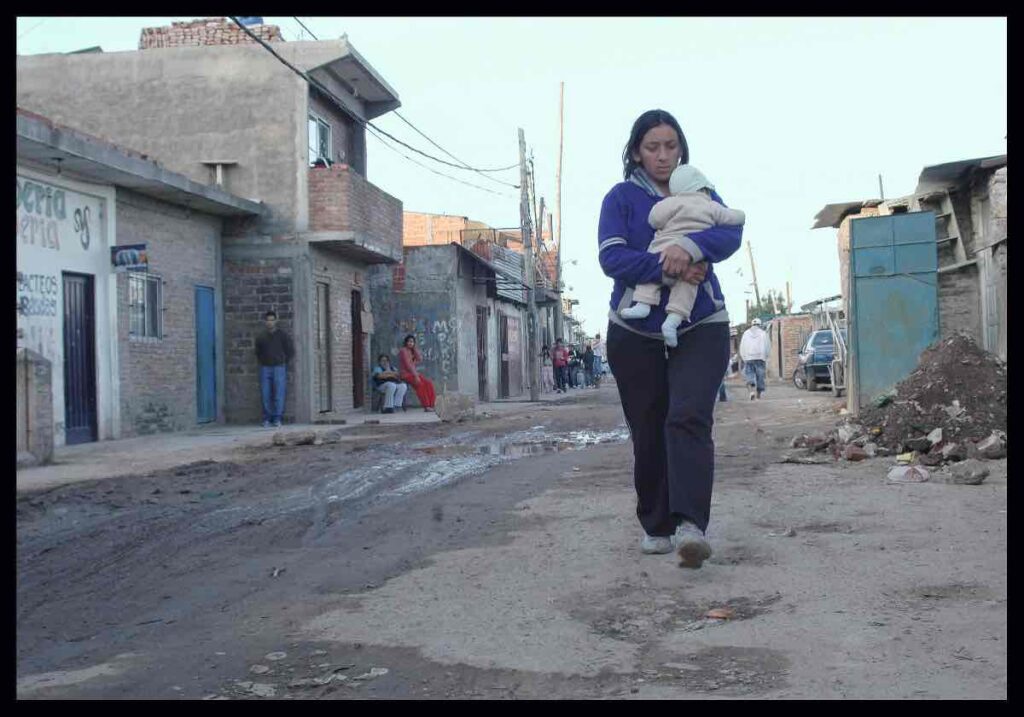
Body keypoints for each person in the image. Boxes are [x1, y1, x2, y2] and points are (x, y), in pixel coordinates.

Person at [599, 109, 742, 567]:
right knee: (648, 425)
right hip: (633, 330)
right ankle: (656, 524)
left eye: (671, 146)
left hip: (701, 322)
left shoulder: (700, 189)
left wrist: (693, 248)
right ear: (636, 153)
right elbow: (613, 259)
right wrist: (667, 265)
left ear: (682, 148)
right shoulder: (621, 198)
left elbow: (730, 230)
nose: (663, 156)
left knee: (688, 416)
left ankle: (690, 526)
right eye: (652, 147)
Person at [619, 165, 746, 346]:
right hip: (695, 261)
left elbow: (654, 219)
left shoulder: (674, 202)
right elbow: (733, 219)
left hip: (663, 250)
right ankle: (673, 320)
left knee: (648, 277)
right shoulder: (712, 206)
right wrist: (742, 215)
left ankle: (643, 304)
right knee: (687, 288)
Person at [254, 310, 295, 428]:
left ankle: (277, 418)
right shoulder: (261, 337)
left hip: (279, 367)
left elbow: (290, 351)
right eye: (268, 320)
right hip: (265, 368)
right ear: (265, 321)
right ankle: (267, 418)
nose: (270, 322)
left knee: (279, 394)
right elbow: (257, 352)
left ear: (276, 321)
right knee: (265, 394)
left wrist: (282, 361)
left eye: (272, 320)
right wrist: (263, 361)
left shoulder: (283, 335)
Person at [398, 334, 436, 411]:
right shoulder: (403, 351)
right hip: (405, 374)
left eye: (412, 342)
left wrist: (415, 349)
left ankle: (432, 405)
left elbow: (419, 359)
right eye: (409, 341)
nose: (410, 343)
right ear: (406, 342)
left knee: (428, 383)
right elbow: (408, 365)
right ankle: (426, 406)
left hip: (413, 373)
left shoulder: (412, 351)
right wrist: (416, 376)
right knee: (420, 385)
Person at [739, 318, 770, 400]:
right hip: (760, 357)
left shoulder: (746, 333)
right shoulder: (763, 333)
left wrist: (744, 357)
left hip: (749, 358)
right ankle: (758, 395)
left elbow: (742, 346)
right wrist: (766, 356)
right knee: (760, 377)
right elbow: (767, 346)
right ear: (760, 325)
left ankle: (751, 392)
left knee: (749, 376)